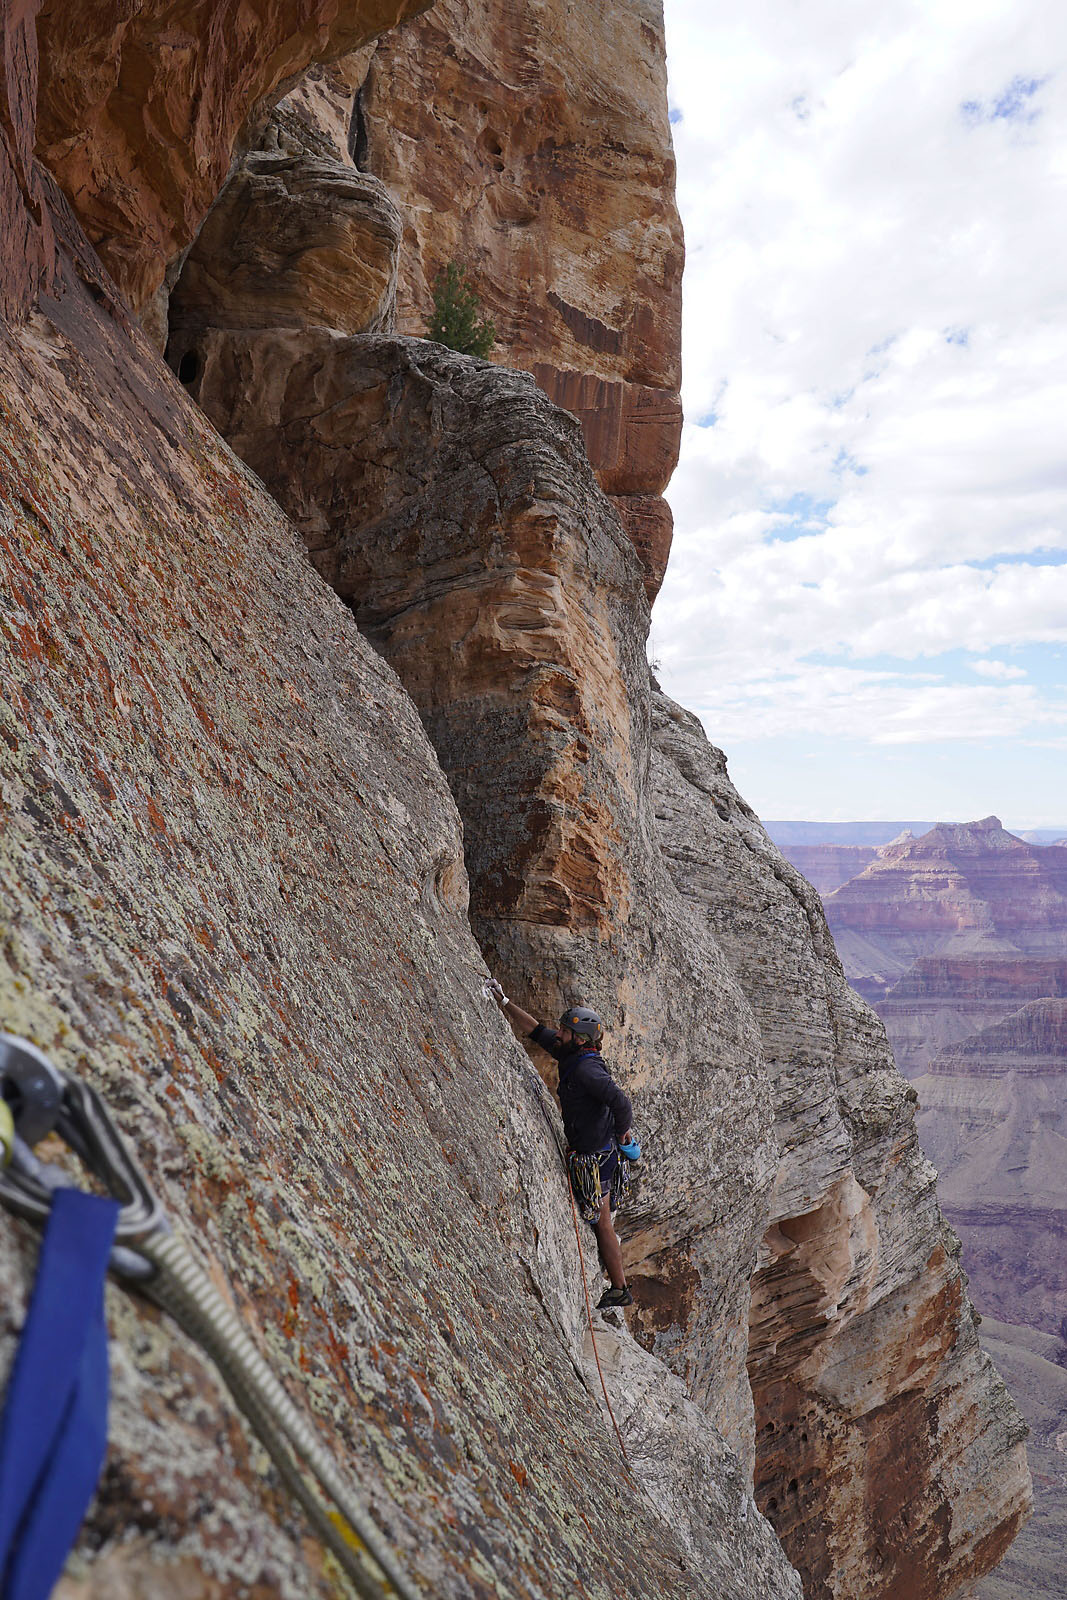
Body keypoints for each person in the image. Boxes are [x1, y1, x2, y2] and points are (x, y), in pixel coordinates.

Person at [488, 983, 639, 1309]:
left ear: (580, 1038)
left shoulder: (586, 1069)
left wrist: (624, 1132)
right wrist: (505, 1001)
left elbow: (621, 1102)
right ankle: (618, 1283)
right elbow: (537, 1031)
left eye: (566, 1030)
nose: (560, 1033)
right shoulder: (574, 1054)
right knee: (602, 1218)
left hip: (597, 1157)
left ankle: (619, 1287)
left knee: (602, 1224)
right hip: (599, 1150)